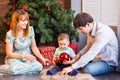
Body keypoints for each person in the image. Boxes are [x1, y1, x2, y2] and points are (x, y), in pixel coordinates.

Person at [0, 9, 49, 75]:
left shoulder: (30, 30)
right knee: (13, 70)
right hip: (15, 58)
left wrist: (42, 58)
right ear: (16, 22)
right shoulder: (10, 34)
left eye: (26, 20)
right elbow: (9, 53)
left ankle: (21, 70)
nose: (26, 22)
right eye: (23, 21)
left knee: (39, 67)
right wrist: (23, 56)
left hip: (28, 59)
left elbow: (34, 47)